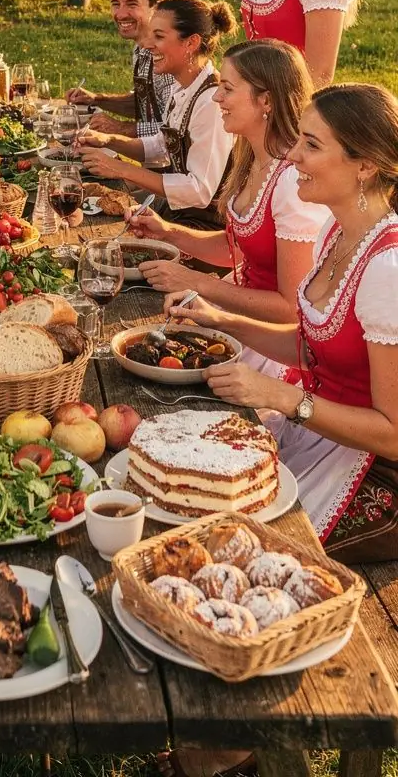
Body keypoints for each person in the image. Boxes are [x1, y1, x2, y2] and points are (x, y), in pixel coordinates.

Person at [165, 83, 398, 562]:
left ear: (365, 165)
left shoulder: (387, 271)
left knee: (230, 554)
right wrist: (222, 321)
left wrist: (284, 397)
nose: (292, 155)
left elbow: (393, 431)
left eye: (312, 144)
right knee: (189, 494)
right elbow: (312, 347)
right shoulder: (335, 231)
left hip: (373, 471)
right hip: (319, 433)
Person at [135, 41, 328, 340]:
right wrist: (167, 232)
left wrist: (197, 281)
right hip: (238, 308)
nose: (216, 97)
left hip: (270, 338)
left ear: (266, 100)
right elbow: (237, 248)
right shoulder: (251, 158)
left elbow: (291, 309)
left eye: (227, 88)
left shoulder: (292, 183)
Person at [80, 0, 236, 229]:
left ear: (191, 43)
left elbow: (199, 190)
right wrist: (109, 141)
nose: (146, 44)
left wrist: (121, 168)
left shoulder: (211, 102)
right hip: (178, 213)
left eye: (159, 36)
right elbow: (163, 146)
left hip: (206, 228)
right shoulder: (182, 86)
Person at [66, 0, 172, 140]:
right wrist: (96, 99)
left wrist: (120, 128)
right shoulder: (141, 48)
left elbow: (177, 128)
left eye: (132, 4)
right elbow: (147, 104)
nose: (121, 14)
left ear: (157, 6)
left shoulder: (168, 56)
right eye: (116, 4)